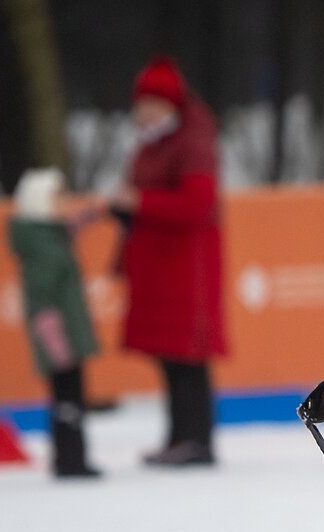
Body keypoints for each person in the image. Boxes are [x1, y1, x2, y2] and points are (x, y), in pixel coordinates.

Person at [108, 56, 227, 468]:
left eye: (153, 103)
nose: (144, 112)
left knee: (188, 356)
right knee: (170, 357)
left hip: (186, 269)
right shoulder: (151, 144)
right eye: (141, 103)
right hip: (160, 267)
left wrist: (140, 202)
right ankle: (180, 436)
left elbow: (199, 202)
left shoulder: (192, 142)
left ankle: (197, 440)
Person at [7, 168, 101, 480]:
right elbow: (41, 298)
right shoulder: (43, 246)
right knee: (67, 398)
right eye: (59, 198)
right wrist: (55, 341)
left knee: (71, 396)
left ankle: (72, 457)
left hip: (65, 334)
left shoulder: (50, 237)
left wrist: (86, 216)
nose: (67, 203)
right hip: (60, 338)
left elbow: (66, 232)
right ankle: (70, 459)